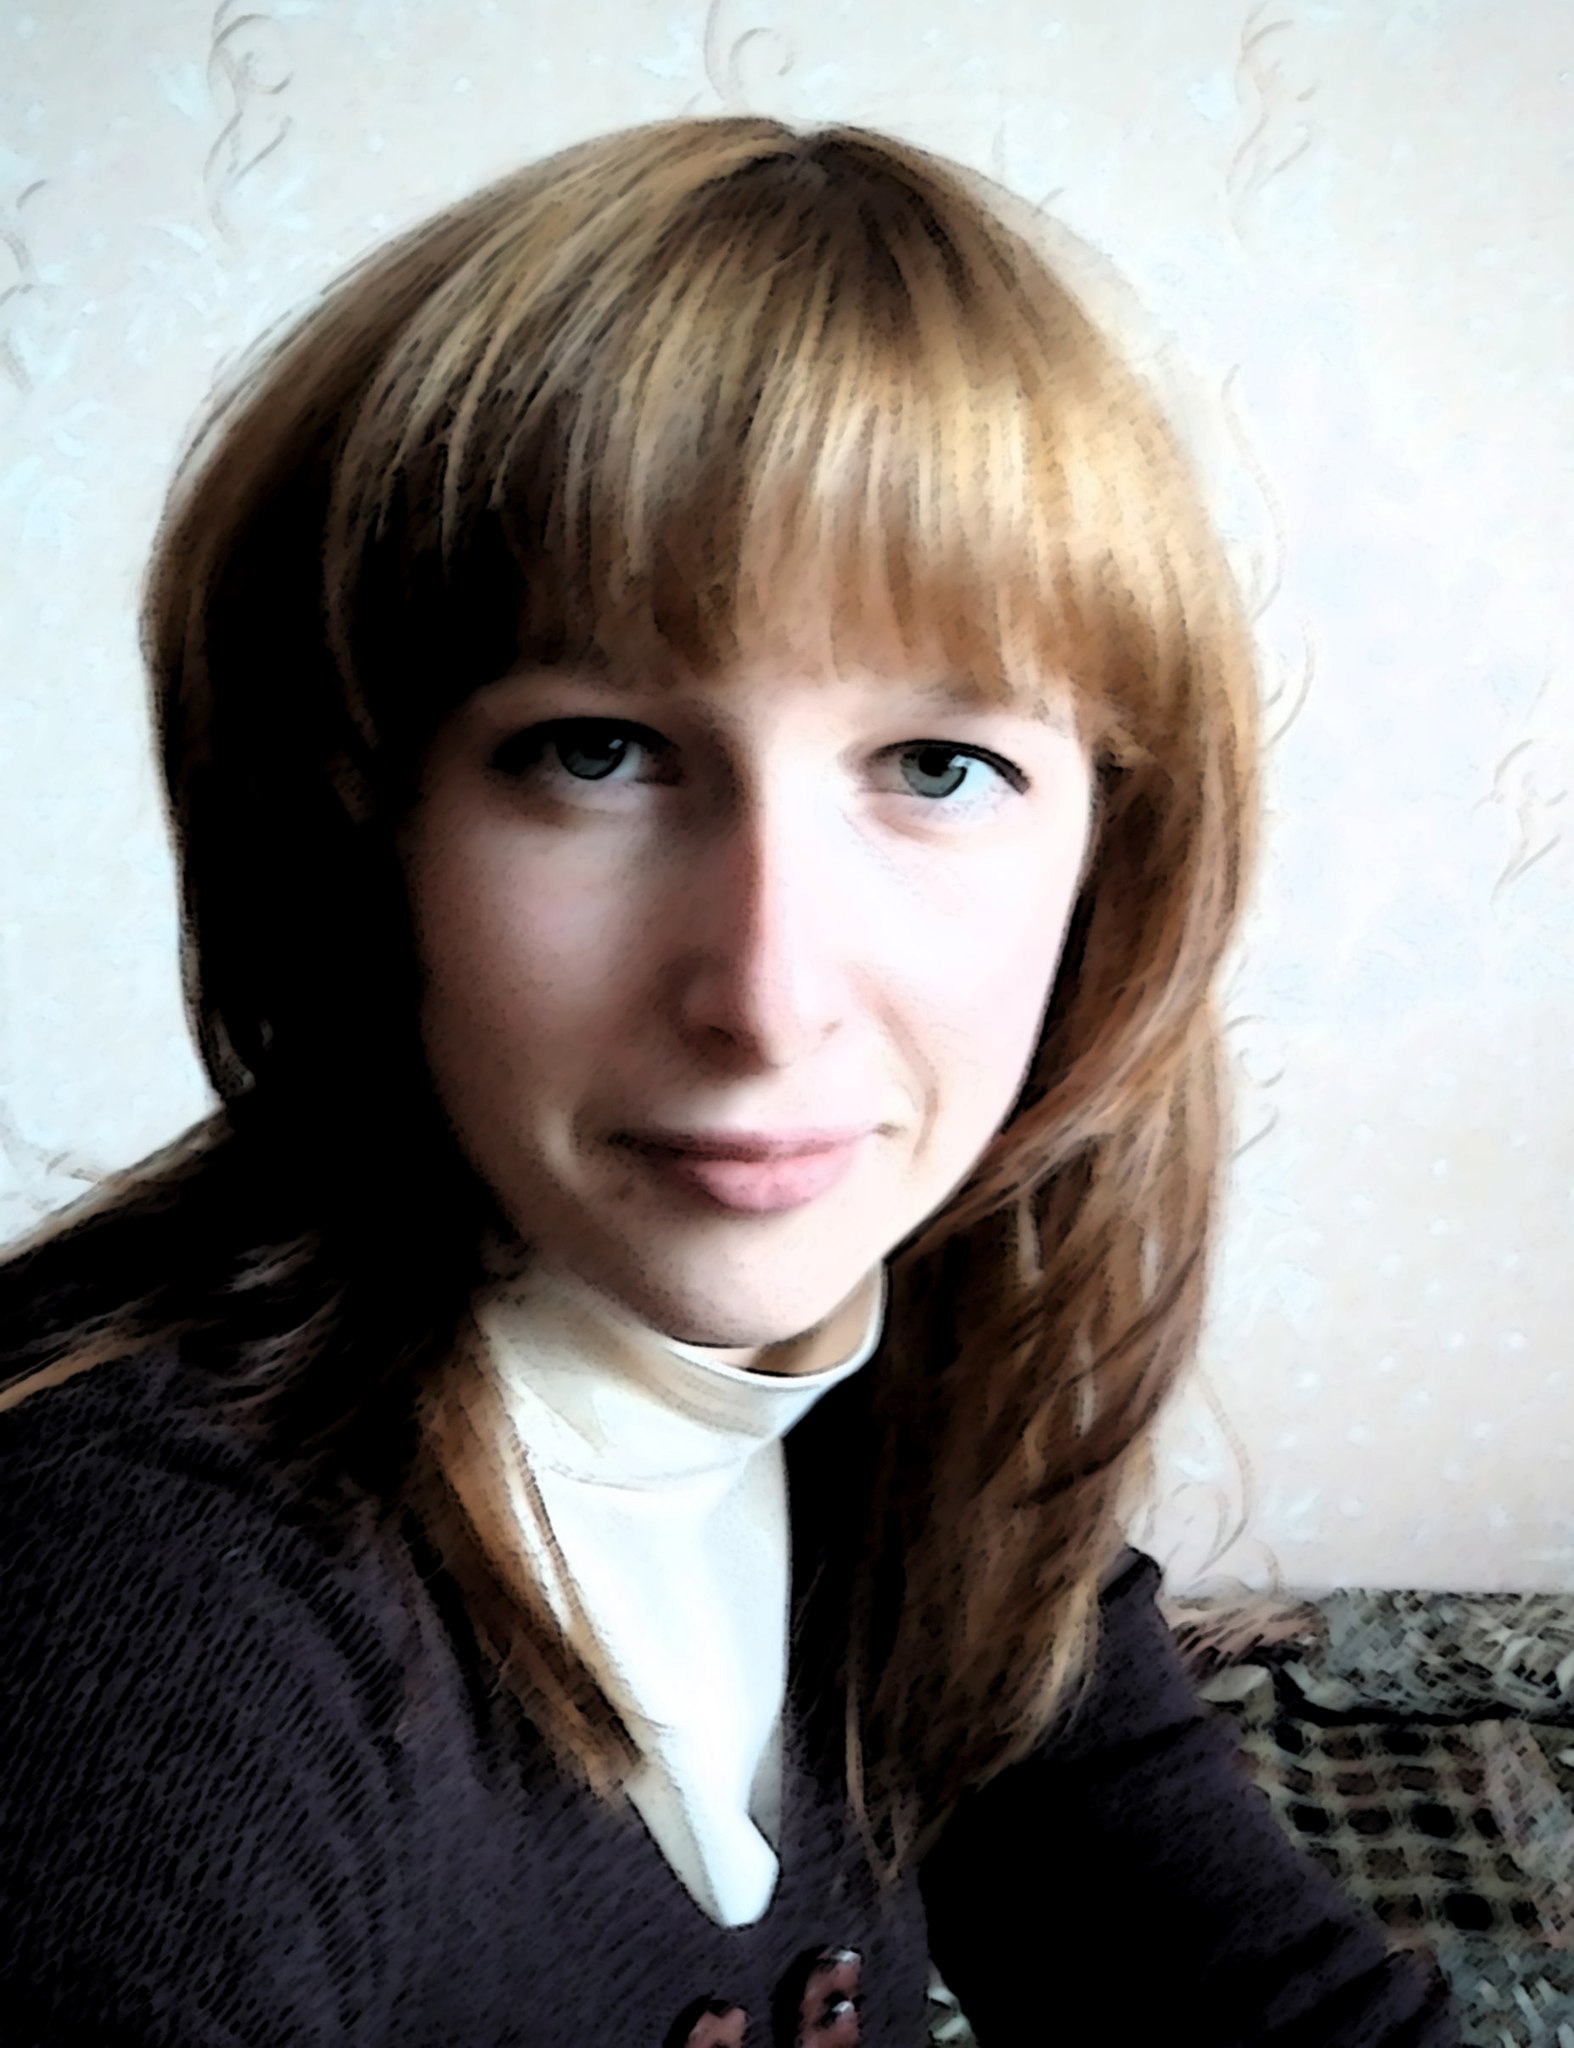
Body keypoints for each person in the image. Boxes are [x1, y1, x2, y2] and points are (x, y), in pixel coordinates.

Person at [0, 113, 1459, 2046]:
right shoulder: (123, 1588)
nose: (767, 997)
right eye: (593, 751)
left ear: (1109, 862)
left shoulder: (907, 1427)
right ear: (357, 829)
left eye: (937, 767)